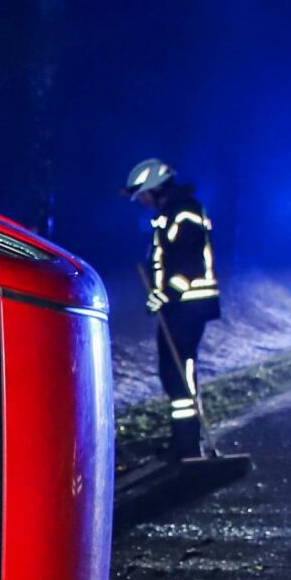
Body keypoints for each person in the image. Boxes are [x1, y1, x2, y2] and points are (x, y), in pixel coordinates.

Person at [123, 158, 220, 459]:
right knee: (172, 372)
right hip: (180, 307)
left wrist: (164, 294)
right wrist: (159, 295)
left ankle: (187, 446)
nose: (141, 201)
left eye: (142, 194)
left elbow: (189, 264)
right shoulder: (169, 214)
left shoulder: (184, 213)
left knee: (179, 373)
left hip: (189, 306)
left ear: (154, 188)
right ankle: (184, 442)